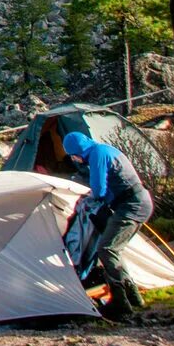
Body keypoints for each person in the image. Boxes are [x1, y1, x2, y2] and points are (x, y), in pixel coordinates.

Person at [62, 131, 153, 319]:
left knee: (106, 249)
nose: (75, 159)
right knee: (113, 249)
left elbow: (99, 189)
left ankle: (120, 303)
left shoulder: (97, 154)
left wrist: (89, 198)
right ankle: (133, 297)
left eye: (73, 155)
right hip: (137, 203)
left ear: (78, 151)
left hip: (132, 206)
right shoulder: (102, 150)